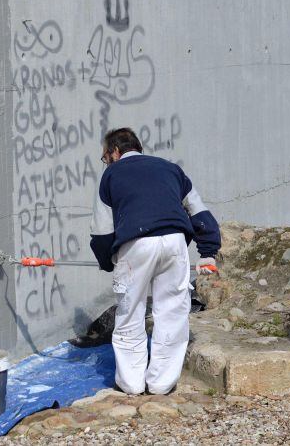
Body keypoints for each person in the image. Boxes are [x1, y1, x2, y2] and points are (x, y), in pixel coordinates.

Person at [90, 127, 221, 395]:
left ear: (115, 151)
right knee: (172, 312)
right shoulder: (170, 168)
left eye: (105, 157)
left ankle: (131, 383)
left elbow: (102, 230)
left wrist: (107, 261)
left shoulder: (111, 175)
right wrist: (208, 251)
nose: (106, 162)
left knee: (130, 312)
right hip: (174, 241)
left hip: (135, 244)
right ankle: (161, 383)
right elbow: (199, 211)